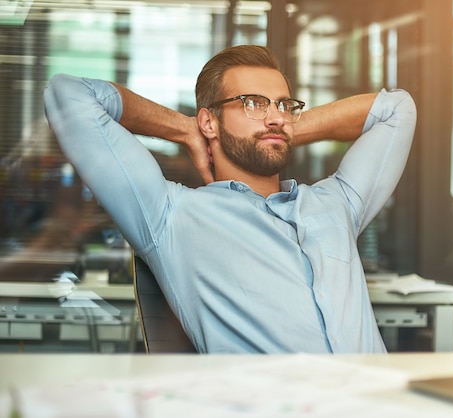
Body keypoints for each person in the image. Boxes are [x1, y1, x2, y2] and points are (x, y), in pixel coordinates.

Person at [44, 45, 417, 354]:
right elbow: (70, 95)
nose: (274, 117)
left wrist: (277, 129)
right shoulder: (173, 217)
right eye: (253, 103)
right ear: (210, 121)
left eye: (284, 105)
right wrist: (186, 129)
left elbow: (397, 109)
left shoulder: (337, 204)